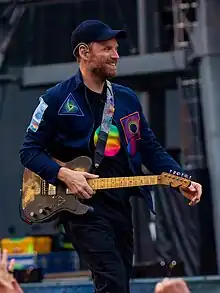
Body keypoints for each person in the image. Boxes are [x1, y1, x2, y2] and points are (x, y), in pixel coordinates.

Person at [19, 20, 202, 293]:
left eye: (116, 48)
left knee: (119, 284)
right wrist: (64, 174)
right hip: (84, 210)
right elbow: (29, 151)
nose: (116, 55)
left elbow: (150, 148)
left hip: (120, 205)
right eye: (107, 48)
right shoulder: (56, 99)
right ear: (84, 52)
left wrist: (181, 179)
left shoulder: (127, 99)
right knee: (113, 282)